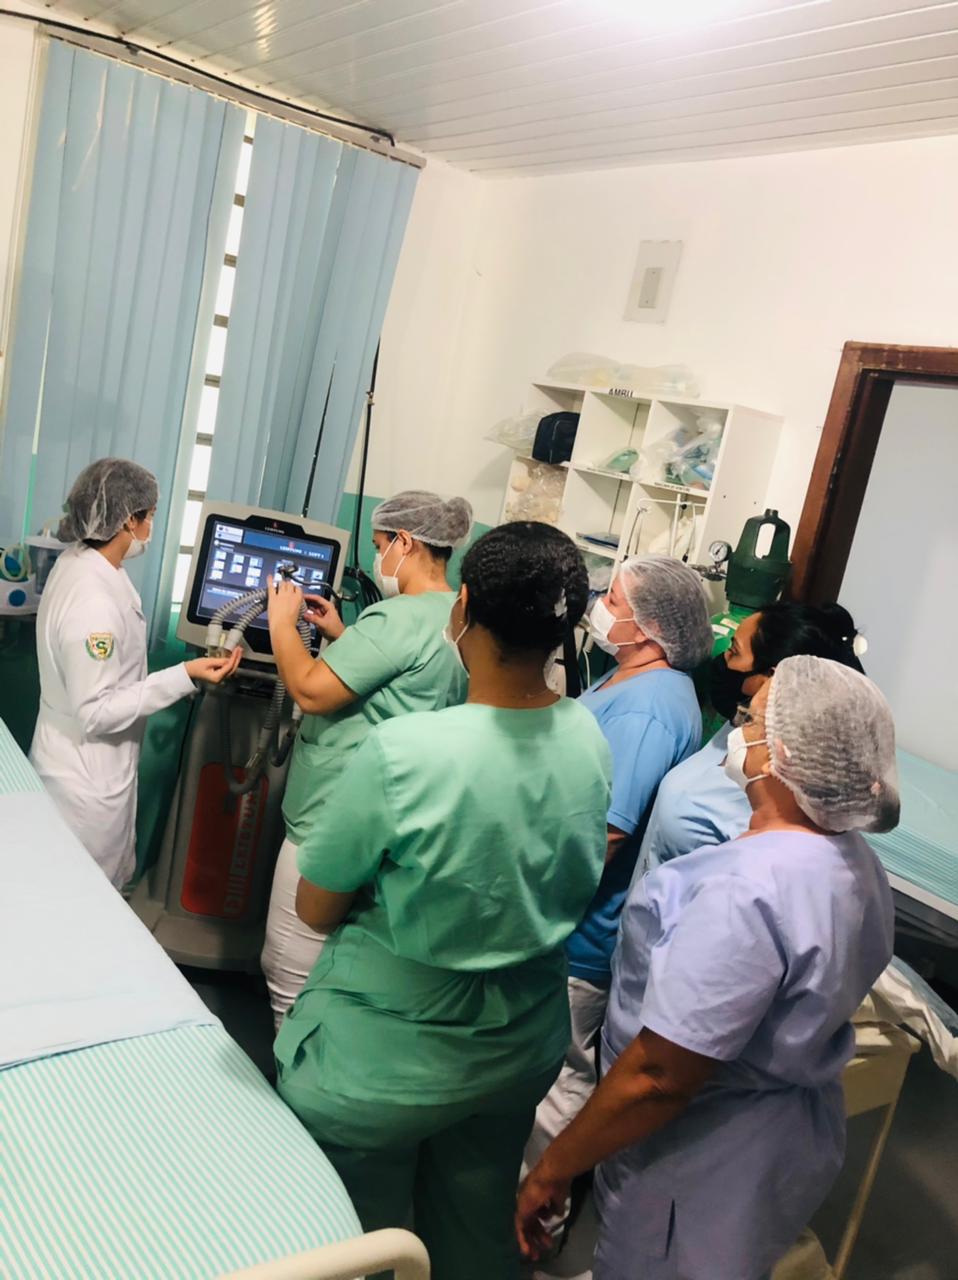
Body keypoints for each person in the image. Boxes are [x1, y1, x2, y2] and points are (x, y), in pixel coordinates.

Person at [275, 522, 612, 1280]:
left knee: (354, 1245)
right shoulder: (587, 737)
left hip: (385, 1065)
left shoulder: (405, 753)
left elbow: (317, 908)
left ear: (463, 610)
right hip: (515, 1050)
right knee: (470, 1237)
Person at [517, 655, 898, 1280]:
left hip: (697, 1157)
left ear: (783, 757)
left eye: (751, 720)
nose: (737, 732)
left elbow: (659, 1076)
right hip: (779, 1137)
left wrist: (553, 1168)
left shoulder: (744, 891)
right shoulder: (855, 863)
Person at [525, 555, 713, 1189]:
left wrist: (526, 897)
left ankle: (536, 1209)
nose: (600, 605)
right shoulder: (628, 680)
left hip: (579, 932)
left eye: (615, 600)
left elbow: (606, 832)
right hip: (565, 921)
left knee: (559, 1080)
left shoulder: (651, 708)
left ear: (652, 627)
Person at [262, 490, 473, 1027]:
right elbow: (406, 681)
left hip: (331, 817)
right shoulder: (457, 616)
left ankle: (288, 1066)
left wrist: (282, 621)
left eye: (380, 546)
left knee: (289, 968)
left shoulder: (395, 618)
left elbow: (310, 691)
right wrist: (343, 636)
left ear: (405, 541)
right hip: (398, 819)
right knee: (341, 960)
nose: (379, 558)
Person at [30, 458, 239, 888]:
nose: (151, 526)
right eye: (150, 515)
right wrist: (186, 675)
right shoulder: (93, 603)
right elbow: (95, 711)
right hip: (85, 784)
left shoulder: (80, 561)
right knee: (84, 897)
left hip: (74, 762)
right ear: (128, 520)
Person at [638, 601, 865, 874]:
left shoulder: (773, 785)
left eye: (734, 652)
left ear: (773, 679)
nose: (724, 659)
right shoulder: (742, 723)